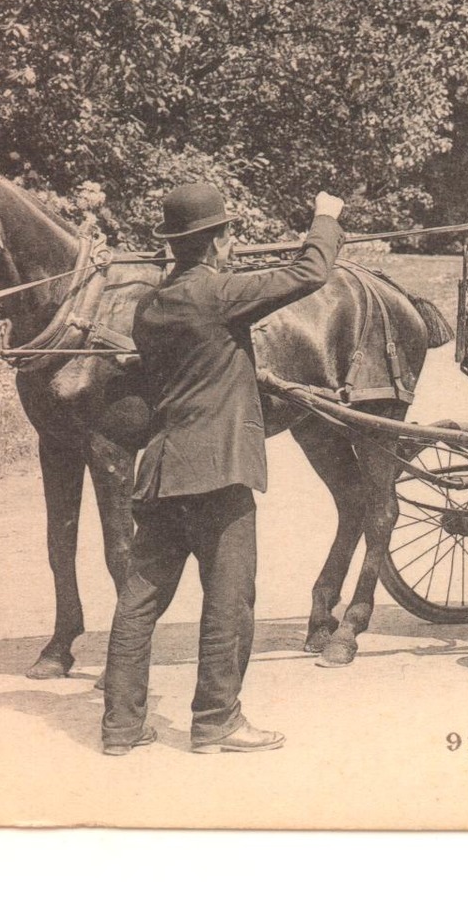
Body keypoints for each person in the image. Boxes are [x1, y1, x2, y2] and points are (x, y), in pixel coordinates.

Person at [101, 182, 345, 756]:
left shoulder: (151, 306)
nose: (233, 246)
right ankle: (217, 722)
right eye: (229, 236)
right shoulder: (219, 294)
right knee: (229, 599)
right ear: (215, 244)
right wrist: (325, 218)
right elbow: (309, 273)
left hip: (161, 475)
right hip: (219, 476)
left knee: (138, 603)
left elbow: (194, 364)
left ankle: (120, 728)